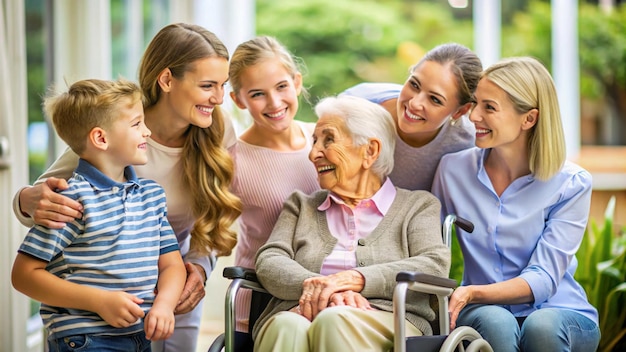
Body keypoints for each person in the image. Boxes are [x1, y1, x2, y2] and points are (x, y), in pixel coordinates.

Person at [12, 23, 242, 352]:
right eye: (208, 85)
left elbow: (215, 214)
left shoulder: (218, 129)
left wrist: (198, 270)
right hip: (92, 307)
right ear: (166, 80)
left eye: (223, 85)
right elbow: (44, 199)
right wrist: (26, 199)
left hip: (171, 282)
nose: (219, 98)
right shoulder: (118, 129)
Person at [252, 95, 450, 352]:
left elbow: (434, 263)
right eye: (314, 141)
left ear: (370, 151)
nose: (313, 154)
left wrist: (354, 279)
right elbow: (270, 259)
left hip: (389, 320)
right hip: (297, 312)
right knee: (287, 326)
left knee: (333, 320)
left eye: (329, 139)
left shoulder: (417, 206)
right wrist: (325, 290)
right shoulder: (302, 206)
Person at [431, 57, 601, 352]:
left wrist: (472, 292)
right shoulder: (452, 170)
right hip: (483, 313)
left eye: (490, 107)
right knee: (497, 322)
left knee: (542, 327)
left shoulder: (571, 183)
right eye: (475, 103)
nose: (474, 116)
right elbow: (428, 246)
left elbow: (544, 280)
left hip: (561, 313)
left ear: (529, 119)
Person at [11, 78, 186, 352]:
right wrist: (99, 301)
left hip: (140, 337)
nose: (147, 132)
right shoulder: (71, 200)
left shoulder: (151, 196)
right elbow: (24, 275)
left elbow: (172, 265)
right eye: (136, 124)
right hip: (85, 340)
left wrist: (164, 305)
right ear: (101, 138)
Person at [227, 35, 320, 343]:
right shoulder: (233, 158)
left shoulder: (324, 139)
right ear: (238, 99)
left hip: (326, 297)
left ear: (296, 81)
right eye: (257, 94)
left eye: (281, 87)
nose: (275, 103)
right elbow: (204, 229)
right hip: (259, 299)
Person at [341, 42, 482, 191]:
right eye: (414, 85)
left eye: (435, 99)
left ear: (459, 112)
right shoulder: (358, 105)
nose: (415, 103)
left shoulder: (468, 147)